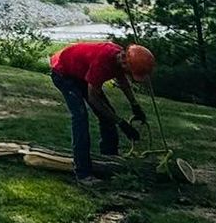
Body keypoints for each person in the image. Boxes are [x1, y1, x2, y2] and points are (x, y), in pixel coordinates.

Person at [49, 39, 156, 182]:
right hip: (63, 72)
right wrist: (121, 123)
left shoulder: (120, 57)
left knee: (107, 115)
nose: (131, 75)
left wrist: (135, 105)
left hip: (80, 72)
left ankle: (109, 160)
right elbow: (94, 99)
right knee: (80, 118)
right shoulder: (103, 62)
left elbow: (122, 81)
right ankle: (83, 173)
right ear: (126, 63)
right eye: (132, 72)